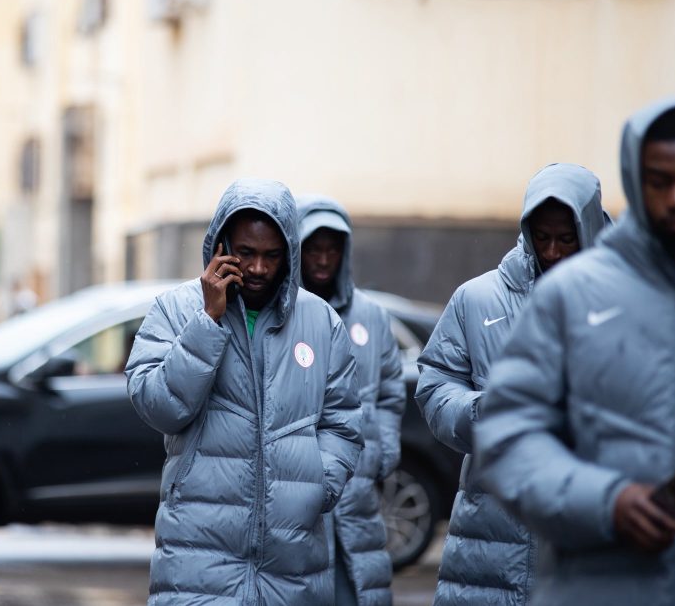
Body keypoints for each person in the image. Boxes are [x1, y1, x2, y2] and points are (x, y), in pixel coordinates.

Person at [475, 99, 675, 605]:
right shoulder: (571, 296)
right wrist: (604, 501)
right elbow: (508, 437)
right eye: (661, 181)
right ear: (637, 183)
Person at [126, 179, 363, 605]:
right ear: (220, 246)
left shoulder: (322, 322)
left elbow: (343, 422)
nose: (257, 269)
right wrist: (207, 321)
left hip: (292, 561)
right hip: (198, 556)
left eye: (271, 256)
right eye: (246, 253)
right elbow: (158, 405)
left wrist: (316, 487)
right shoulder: (175, 310)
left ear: (289, 254)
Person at [414, 163, 611, 605]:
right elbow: (434, 387)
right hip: (491, 538)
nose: (554, 251)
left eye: (568, 238)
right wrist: (485, 410)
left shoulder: (628, 300)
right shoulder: (477, 298)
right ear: (526, 232)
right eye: (543, 238)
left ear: (592, 228)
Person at [297, 195, 404, 606]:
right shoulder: (287, 312)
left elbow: (393, 389)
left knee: (356, 585)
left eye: (333, 249)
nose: (323, 259)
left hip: (358, 483)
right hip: (303, 478)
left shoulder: (372, 317)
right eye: (313, 249)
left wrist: (384, 450)